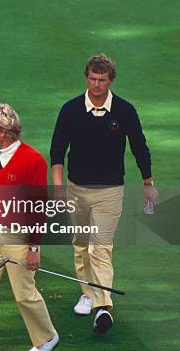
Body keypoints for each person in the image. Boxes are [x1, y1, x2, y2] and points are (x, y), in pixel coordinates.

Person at [50, 54, 159, 334]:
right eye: (92, 78)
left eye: (102, 80)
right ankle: (87, 293)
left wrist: (148, 182)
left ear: (111, 80)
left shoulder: (124, 111)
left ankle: (103, 306)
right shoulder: (71, 109)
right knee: (81, 244)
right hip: (76, 188)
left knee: (101, 247)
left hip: (110, 191)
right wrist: (58, 188)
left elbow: (139, 147)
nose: (96, 84)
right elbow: (57, 150)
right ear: (86, 77)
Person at [0, 103, 59, 351]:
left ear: (3, 132)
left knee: (23, 294)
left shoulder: (33, 160)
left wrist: (34, 247)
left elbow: (39, 208)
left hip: (19, 238)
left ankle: (47, 337)